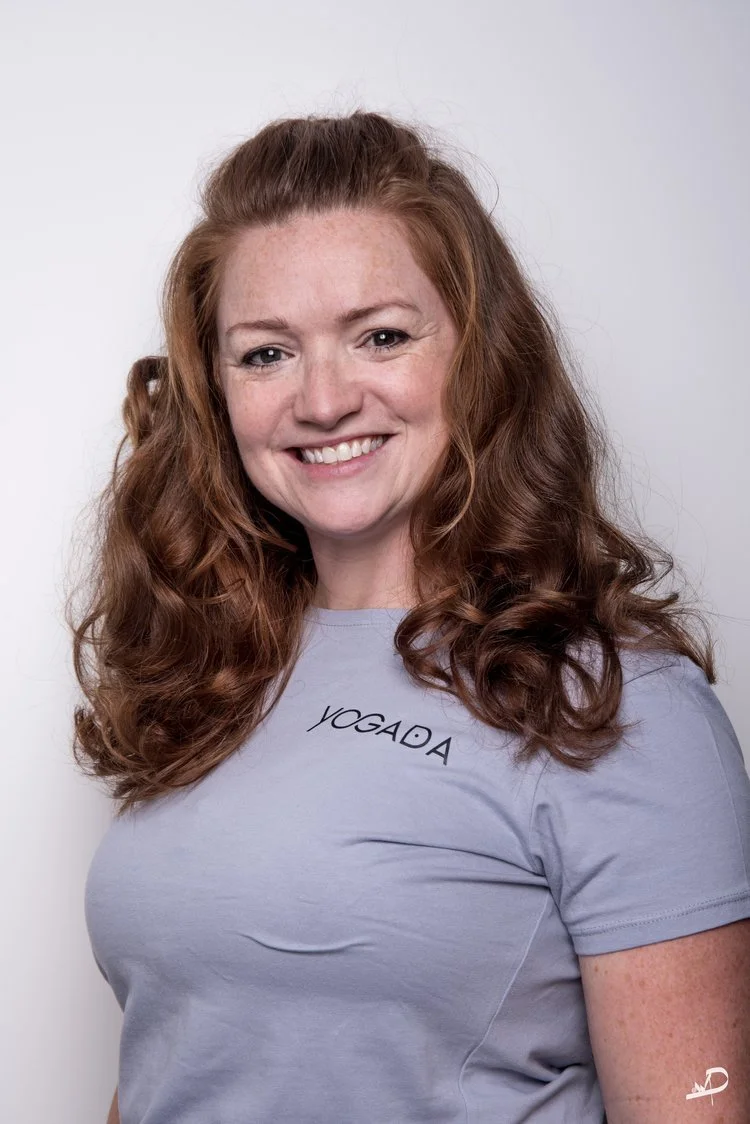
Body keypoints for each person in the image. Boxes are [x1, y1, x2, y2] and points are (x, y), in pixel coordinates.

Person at [70, 110, 750, 1124]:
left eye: (381, 335)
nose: (324, 398)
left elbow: (698, 1105)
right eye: (265, 354)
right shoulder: (213, 666)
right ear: (217, 392)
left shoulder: (617, 706)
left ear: (478, 353)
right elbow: (184, 1058)